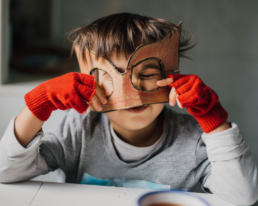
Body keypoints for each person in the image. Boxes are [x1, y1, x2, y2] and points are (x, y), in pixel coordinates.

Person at [0, 13, 257, 205]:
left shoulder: (193, 140)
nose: (133, 92)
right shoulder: (78, 130)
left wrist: (213, 118)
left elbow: (242, 197)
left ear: (172, 79)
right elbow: (6, 172)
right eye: (110, 79)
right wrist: (39, 105)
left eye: (148, 74)